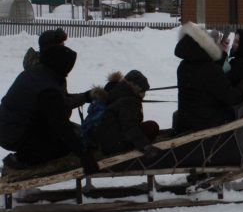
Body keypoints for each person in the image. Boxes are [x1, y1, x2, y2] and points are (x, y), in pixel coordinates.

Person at [0, 28, 99, 173]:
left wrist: (85, 97)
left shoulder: (44, 72)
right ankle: (21, 160)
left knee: (75, 136)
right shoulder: (46, 84)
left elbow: (59, 104)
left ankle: (26, 154)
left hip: (17, 126)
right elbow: (59, 122)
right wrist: (84, 156)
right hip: (15, 133)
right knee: (62, 147)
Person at [173, 22, 243, 134]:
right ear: (203, 46)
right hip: (204, 126)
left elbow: (206, 76)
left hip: (185, 122)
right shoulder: (209, 70)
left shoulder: (183, 66)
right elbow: (231, 97)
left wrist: (220, 56)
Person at [92, 70, 161, 159]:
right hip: (115, 146)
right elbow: (129, 126)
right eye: (143, 90)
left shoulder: (115, 91)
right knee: (152, 126)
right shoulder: (129, 101)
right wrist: (145, 146)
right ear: (134, 86)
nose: (144, 94)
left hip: (105, 142)